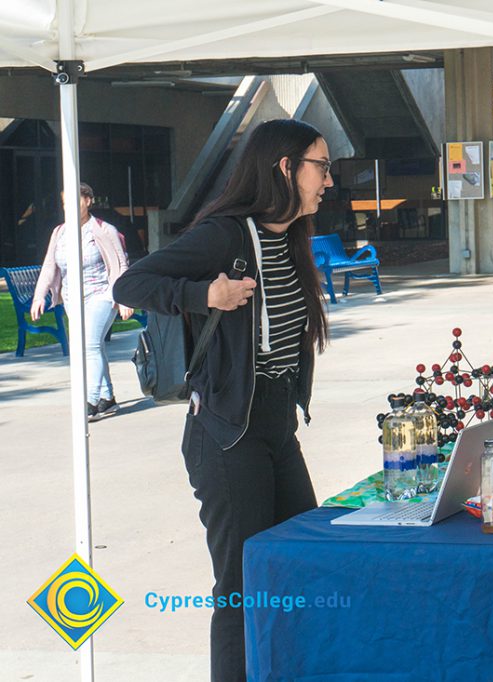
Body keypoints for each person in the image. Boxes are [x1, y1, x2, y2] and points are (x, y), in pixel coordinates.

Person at [112, 119, 333, 682]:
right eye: (322, 167)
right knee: (239, 587)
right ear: (286, 168)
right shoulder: (227, 236)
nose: (329, 182)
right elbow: (130, 286)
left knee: (300, 563)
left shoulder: (289, 239)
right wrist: (201, 294)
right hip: (227, 433)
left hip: (277, 426)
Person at [31, 182, 133, 420]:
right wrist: (39, 296)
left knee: (89, 345)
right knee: (94, 345)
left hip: (102, 295)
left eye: (75, 202)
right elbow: (49, 266)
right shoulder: (60, 232)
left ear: (88, 201)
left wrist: (125, 299)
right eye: (66, 204)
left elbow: (121, 265)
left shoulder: (103, 229)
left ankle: (90, 401)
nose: (70, 208)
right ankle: (107, 399)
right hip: (72, 299)